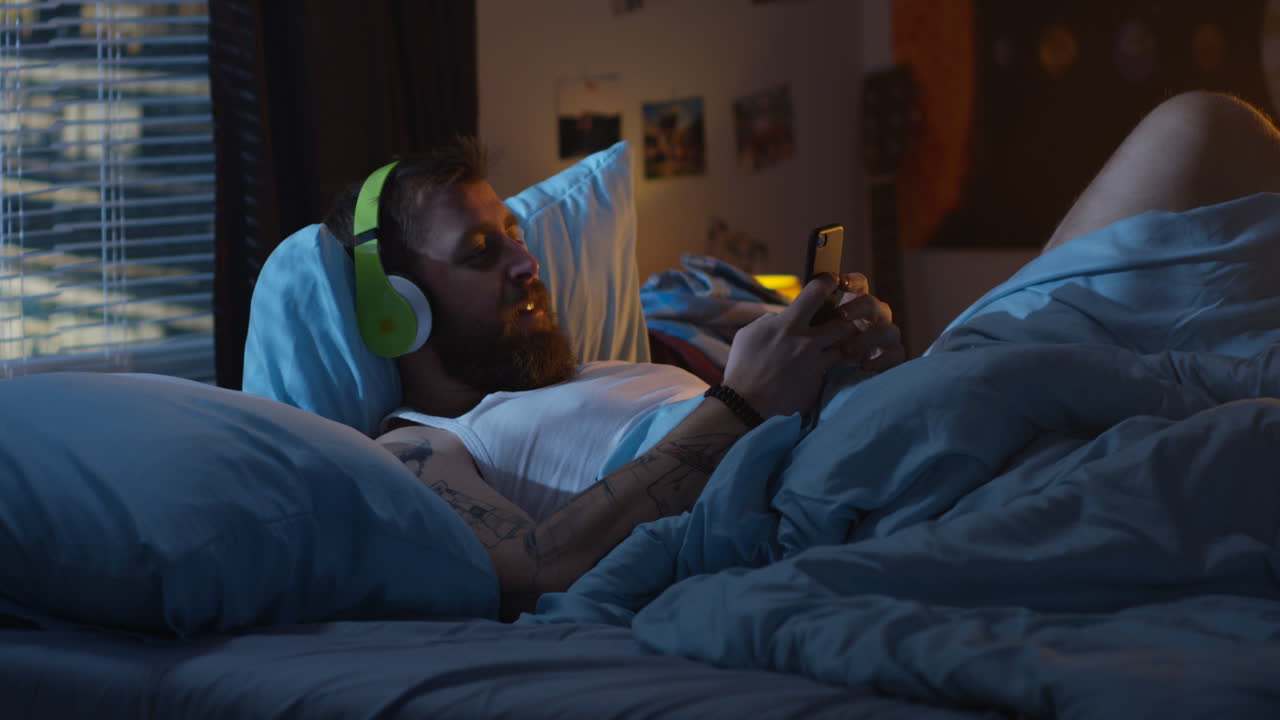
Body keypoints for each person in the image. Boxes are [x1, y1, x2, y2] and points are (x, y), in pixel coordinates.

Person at [321, 138, 904, 616]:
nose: (527, 264)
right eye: (479, 253)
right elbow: (538, 570)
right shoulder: (418, 445)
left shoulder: (608, 368)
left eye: (515, 237)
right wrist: (743, 400)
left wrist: (858, 362)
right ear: (395, 310)